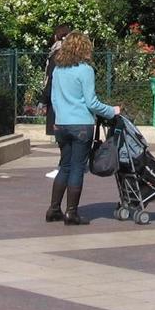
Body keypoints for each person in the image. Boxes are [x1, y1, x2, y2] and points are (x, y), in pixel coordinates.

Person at [46, 31, 120, 224]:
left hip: (61, 124)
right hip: (81, 125)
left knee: (64, 166)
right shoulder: (85, 70)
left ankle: (54, 209)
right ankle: (72, 212)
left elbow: (53, 99)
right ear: (84, 48)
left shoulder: (58, 70)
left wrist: (58, 118)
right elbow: (92, 102)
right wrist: (112, 111)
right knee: (78, 168)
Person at [43, 24, 72, 137]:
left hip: (56, 97)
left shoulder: (56, 53)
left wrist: (44, 97)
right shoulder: (71, 54)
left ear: (56, 36)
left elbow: (51, 77)